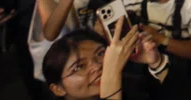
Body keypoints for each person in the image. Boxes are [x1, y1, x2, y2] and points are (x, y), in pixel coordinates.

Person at [41, 24, 171, 100]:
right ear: (58, 89)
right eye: (79, 67)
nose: (97, 66)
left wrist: (156, 63)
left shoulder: (134, 85)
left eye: (100, 54)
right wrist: (111, 76)